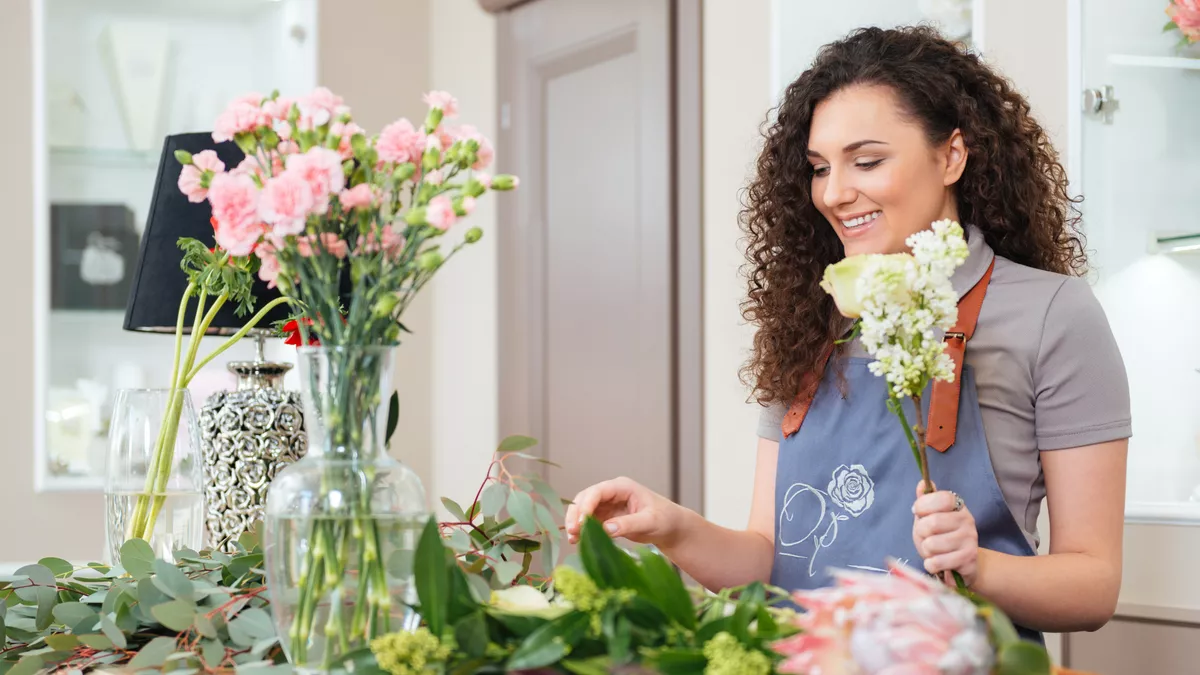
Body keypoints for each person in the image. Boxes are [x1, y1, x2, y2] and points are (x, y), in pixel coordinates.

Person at [563, 25, 1130, 638]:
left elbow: (1092, 584)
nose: (834, 193)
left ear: (951, 156)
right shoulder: (812, 317)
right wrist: (672, 527)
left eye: (867, 161)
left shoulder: (1052, 315)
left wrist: (977, 568)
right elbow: (771, 559)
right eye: (818, 167)